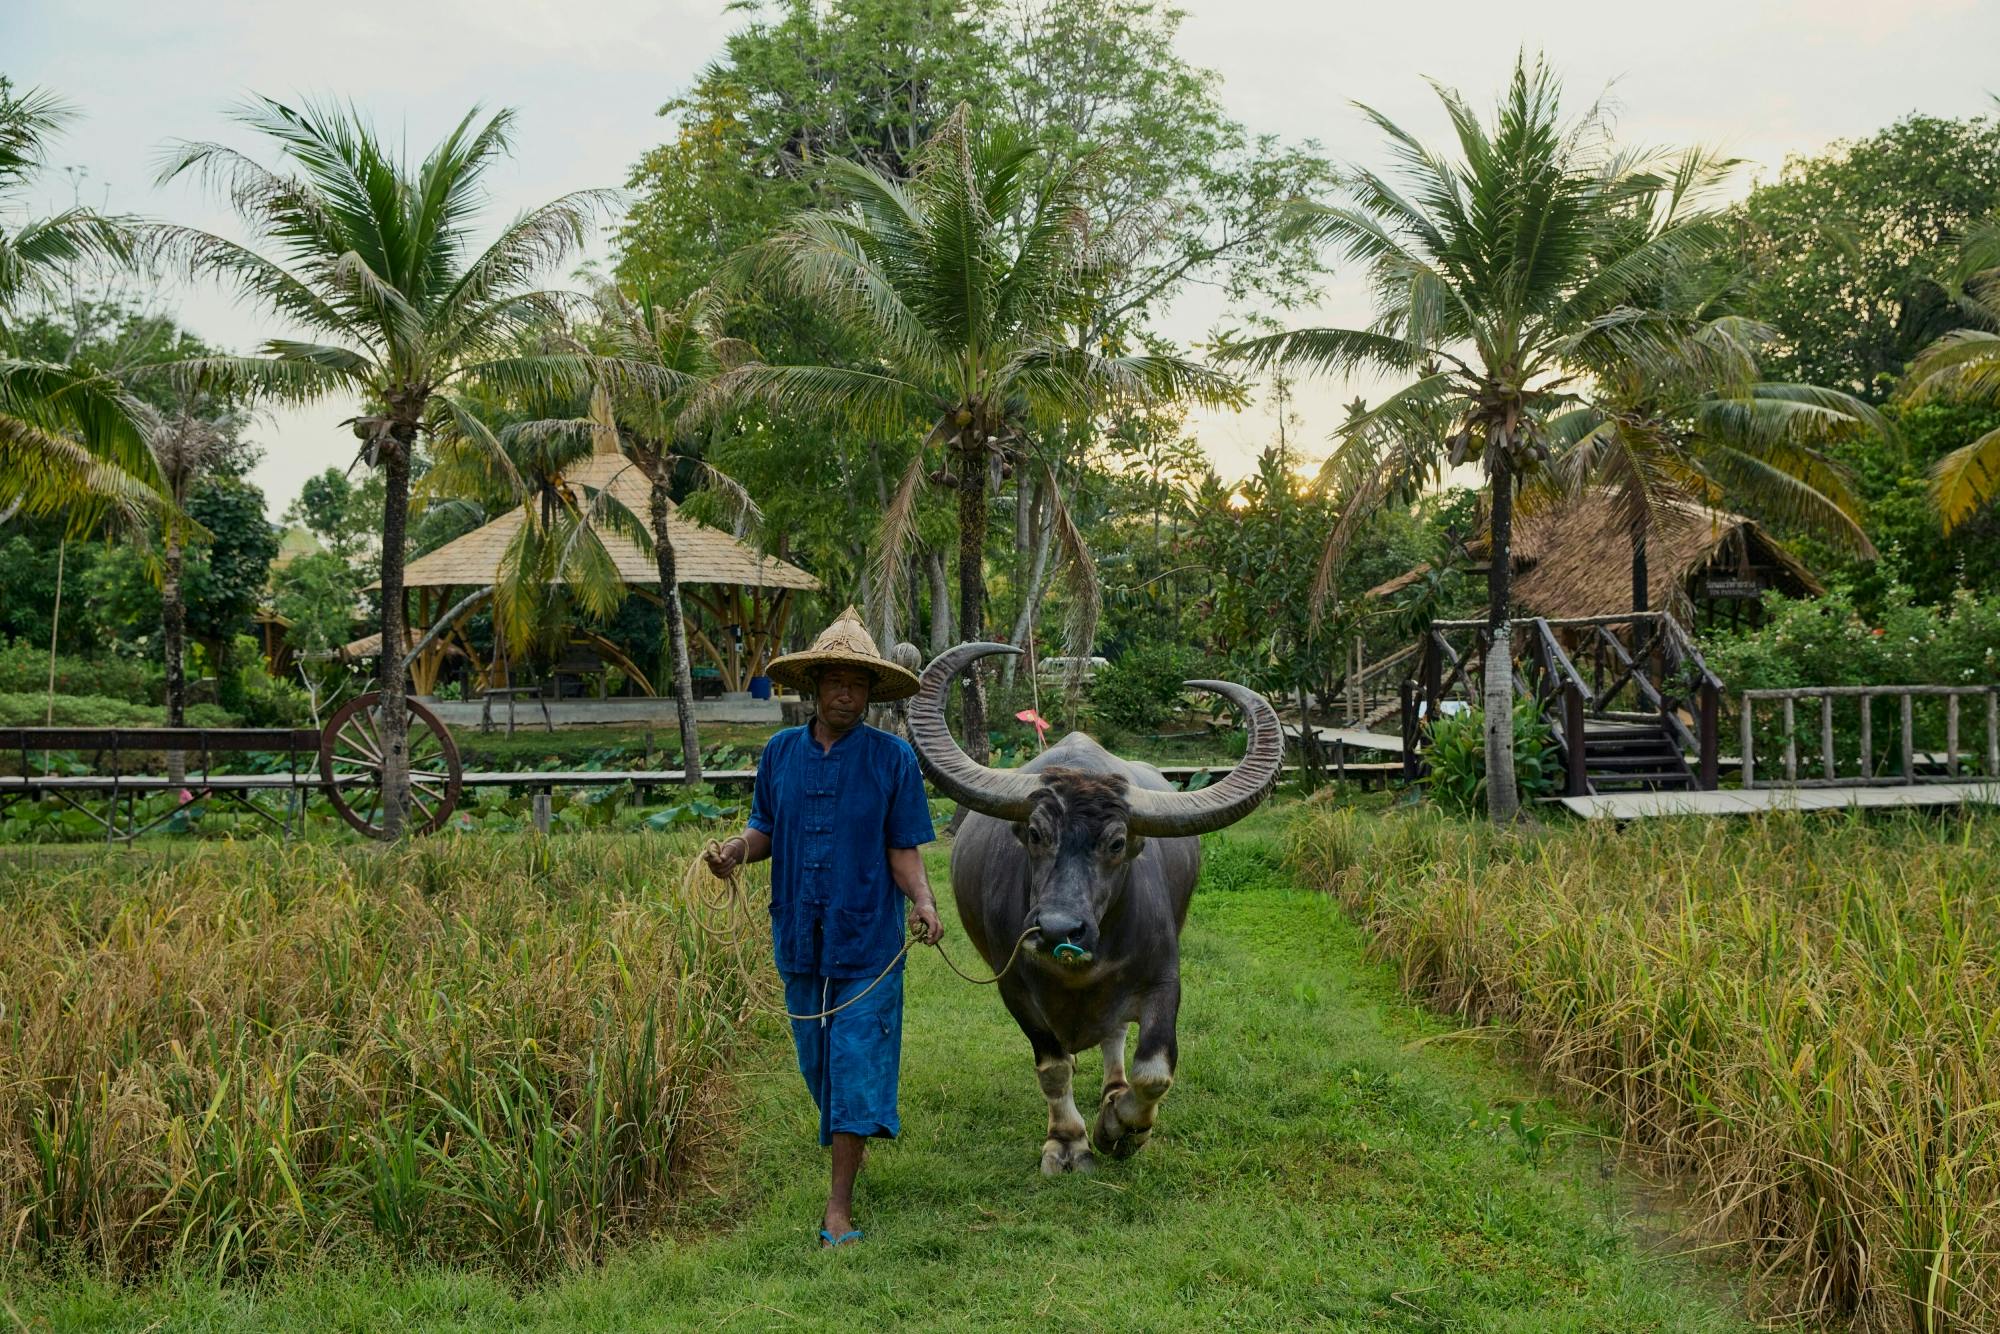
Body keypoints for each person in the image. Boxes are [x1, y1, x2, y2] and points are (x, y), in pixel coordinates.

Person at [704, 607, 943, 1249]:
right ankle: (848, 1133)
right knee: (819, 1064)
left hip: (868, 939)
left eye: (859, 684)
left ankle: (838, 1205)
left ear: (871, 693)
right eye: (836, 681)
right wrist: (735, 853)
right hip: (800, 937)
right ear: (813, 688)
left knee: (855, 1057)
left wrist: (923, 901)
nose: (847, 694)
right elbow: (764, 831)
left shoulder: (892, 760)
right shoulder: (780, 753)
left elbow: (903, 850)